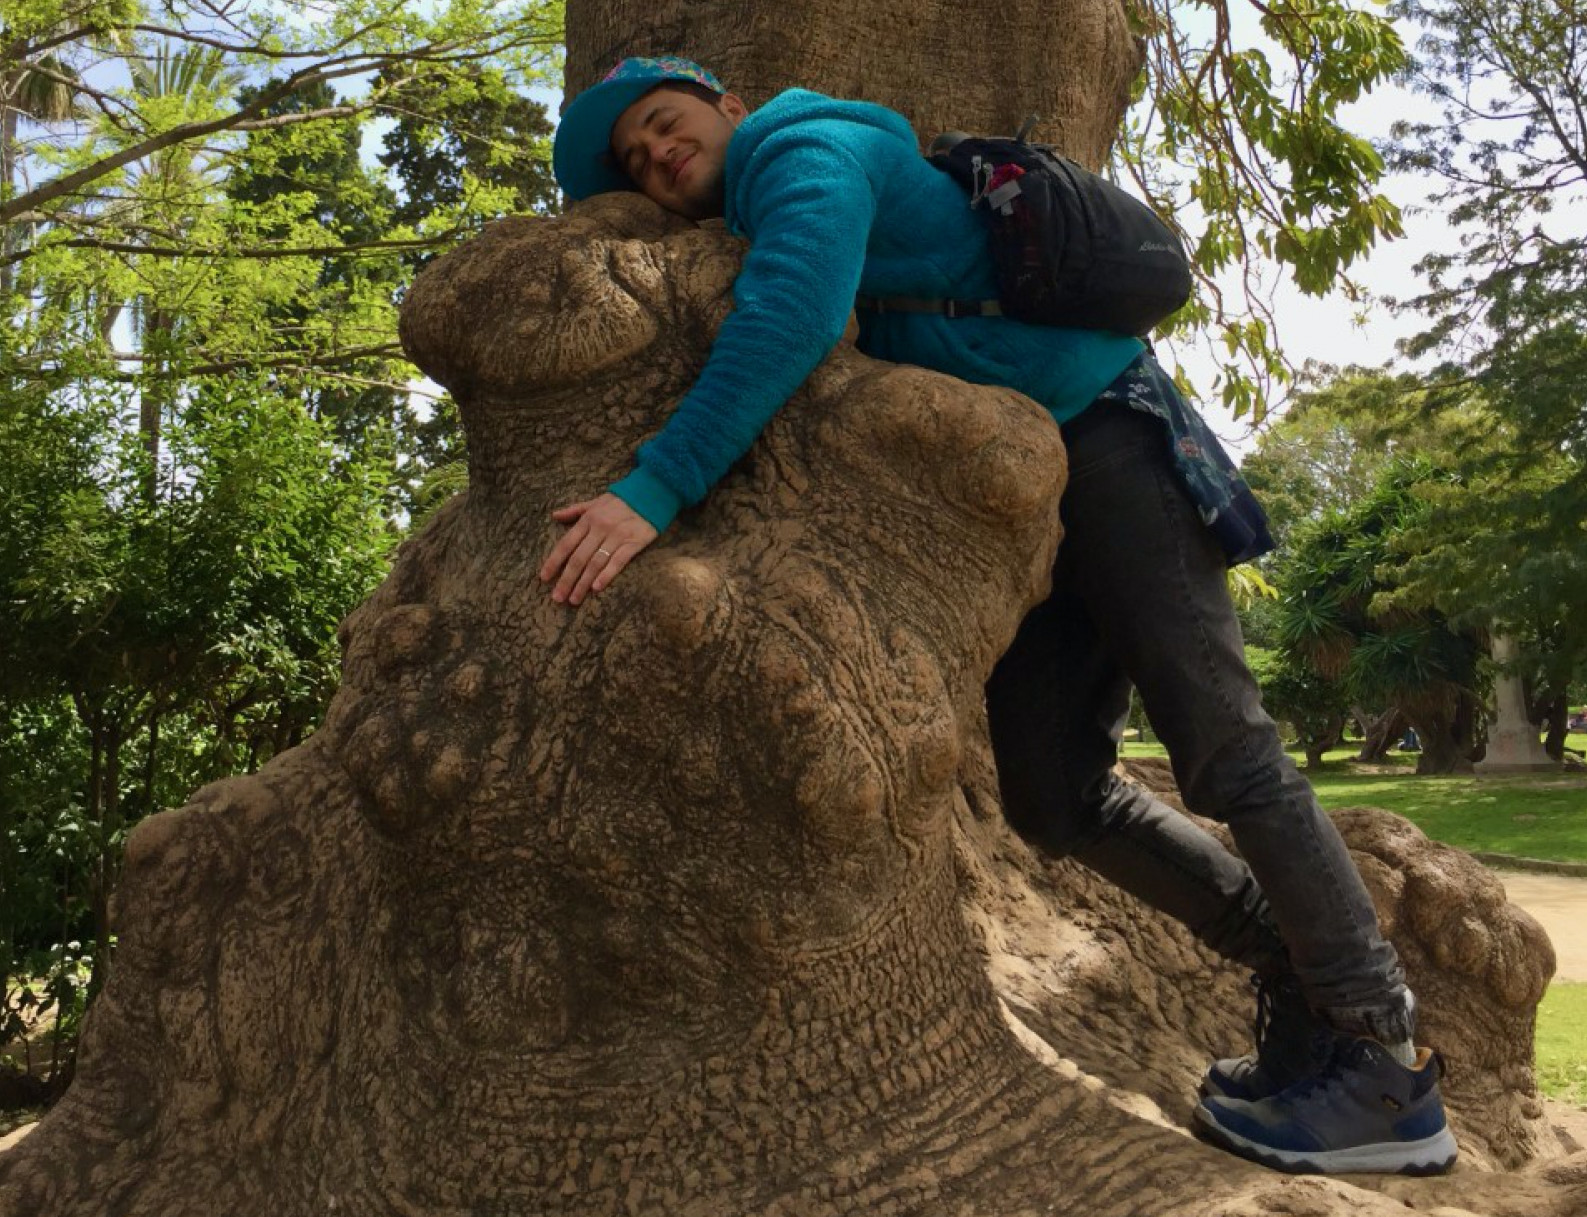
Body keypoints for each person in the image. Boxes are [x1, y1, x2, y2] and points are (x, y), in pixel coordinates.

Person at [545, 56, 1457, 1176]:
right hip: (1024, 496)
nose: (656, 155)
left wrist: (653, 488)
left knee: (1230, 752)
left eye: (662, 123)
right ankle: (1298, 971)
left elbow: (795, 311)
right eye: (635, 160)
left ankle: (1380, 1058)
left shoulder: (806, 148)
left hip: (1112, 441)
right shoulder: (752, 204)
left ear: (726, 105)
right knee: (1050, 791)